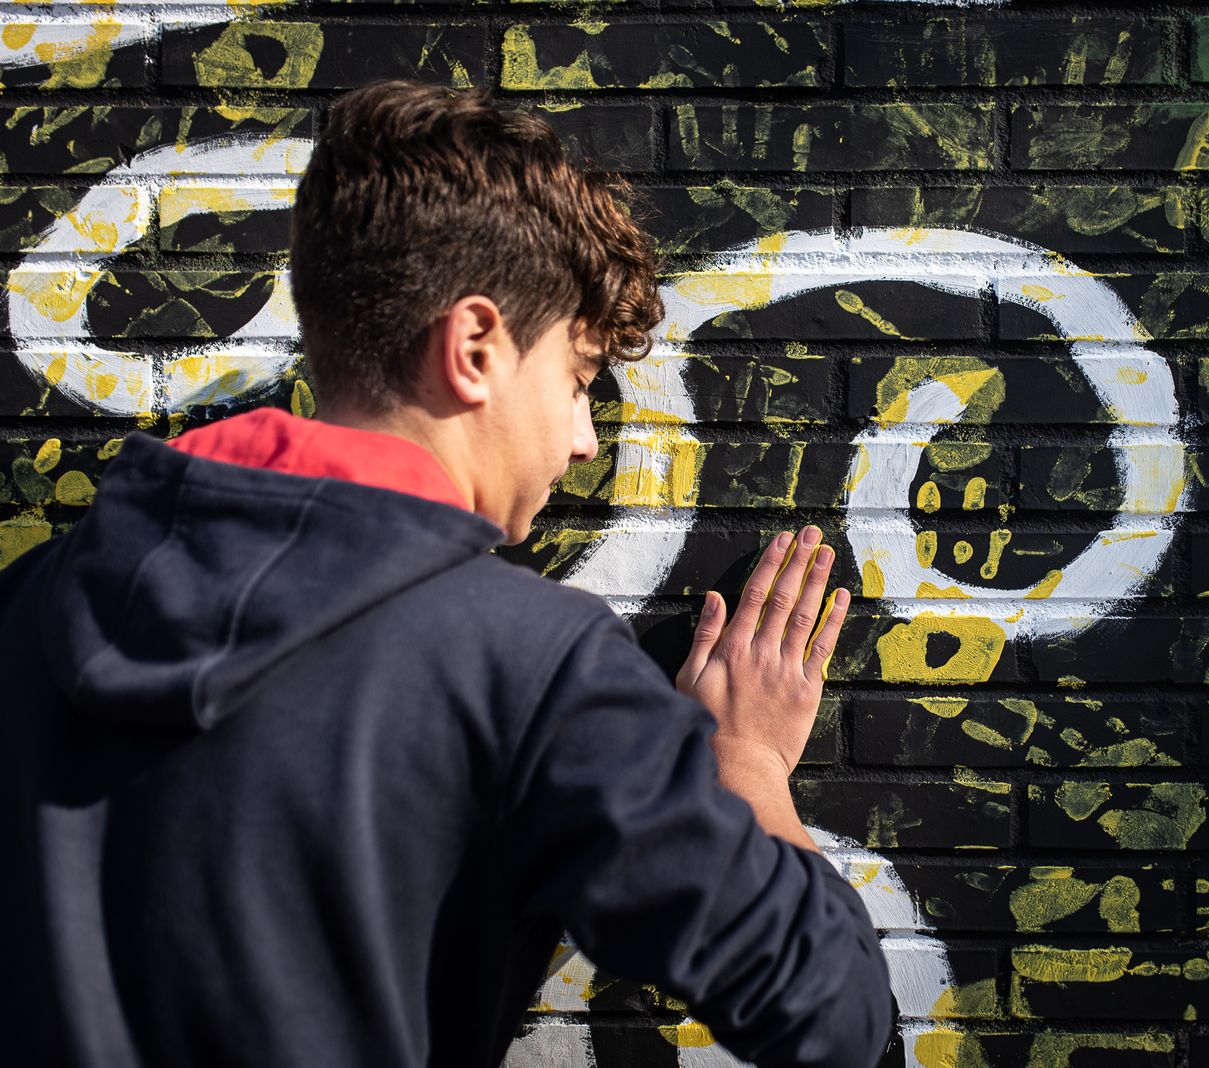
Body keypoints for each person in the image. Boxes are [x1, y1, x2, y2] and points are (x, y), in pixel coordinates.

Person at [0, 80, 892, 1067]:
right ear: (474, 349)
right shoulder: (528, 664)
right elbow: (830, 1017)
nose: (585, 440)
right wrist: (749, 771)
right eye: (579, 378)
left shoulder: (33, 597)